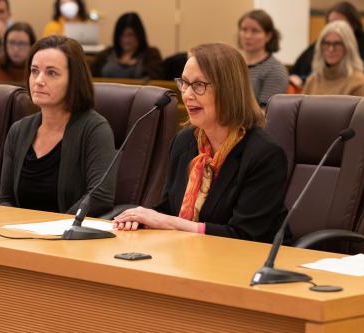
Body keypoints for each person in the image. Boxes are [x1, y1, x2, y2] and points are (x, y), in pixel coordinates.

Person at [113, 43, 288, 242]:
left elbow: (245, 236)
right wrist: (139, 219)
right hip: (188, 256)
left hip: (244, 265)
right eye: (185, 83)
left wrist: (170, 223)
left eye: (198, 85)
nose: (186, 95)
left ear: (228, 90)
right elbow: (170, 208)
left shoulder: (264, 155)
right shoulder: (185, 141)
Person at [0, 36, 116, 216]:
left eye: (51, 73)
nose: (38, 80)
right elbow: (6, 199)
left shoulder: (94, 129)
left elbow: (100, 196)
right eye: (34, 71)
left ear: (74, 80)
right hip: (16, 237)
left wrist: (56, 228)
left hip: (66, 238)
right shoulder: (19, 130)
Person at [290, 1, 364, 87]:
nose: (331, 48)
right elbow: (297, 69)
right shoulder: (322, 43)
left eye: (341, 24)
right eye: (331, 24)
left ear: (353, 24)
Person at [302, 21, 364, 97]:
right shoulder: (312, 80)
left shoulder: (358, 82)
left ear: (348, 47)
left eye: (337, 44)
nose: (331, 49)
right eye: (326, 43)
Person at [237, 9, 288, 108]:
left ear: (268, 36)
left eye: (255, 31)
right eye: (244, 29)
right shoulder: (232, 63)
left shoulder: (275, 70)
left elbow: (266, 113)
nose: (248, 36)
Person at [90, 12, 163, 79]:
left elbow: (155, 80)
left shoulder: (151, 55)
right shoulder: (104, 54)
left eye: (131, 35)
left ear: (139, 35)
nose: (126, 40)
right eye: (122, 35)